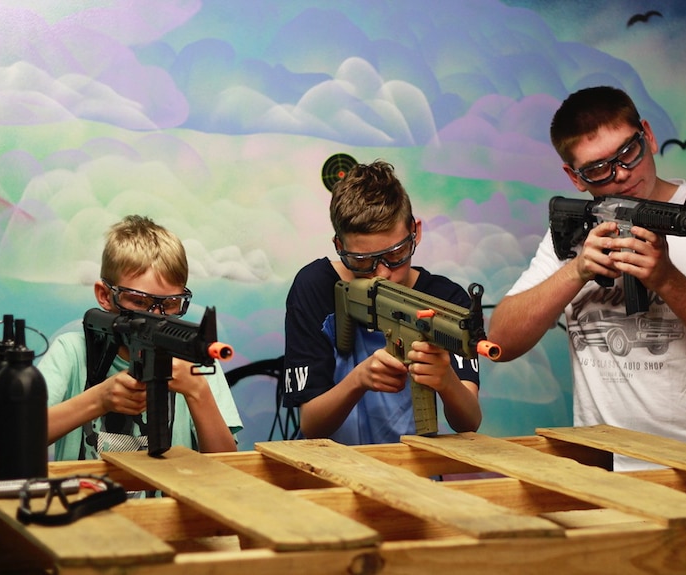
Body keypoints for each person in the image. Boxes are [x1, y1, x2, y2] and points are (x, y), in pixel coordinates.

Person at [489, 86, 686, 472]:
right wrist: (577, 271)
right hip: (602, 471)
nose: (621, 174)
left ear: (649, 136)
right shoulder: (578, 231)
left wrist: (667, 279)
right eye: (597, 169)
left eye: (628, 153)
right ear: (574, 178)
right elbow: (501, 341)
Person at [283, 160, 482, 444]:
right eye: (361, 261)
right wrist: (358, 380)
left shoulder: (446, 300)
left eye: (396, 254)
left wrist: (446, 380)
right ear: (339, 247)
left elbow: (469, 421)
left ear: (416, 232)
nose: (383, 273)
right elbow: (312, 424)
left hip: (417, 474)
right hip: (331, 470)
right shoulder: (315, 286)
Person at [38, 215, 242, 461]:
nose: (156, 316)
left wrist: (197, 390)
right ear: (104, 295)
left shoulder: (192, 362)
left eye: (170, 303)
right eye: (139, 301)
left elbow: (227, 463)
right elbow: (13, 441)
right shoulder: (72, 351)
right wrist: (98, 400)